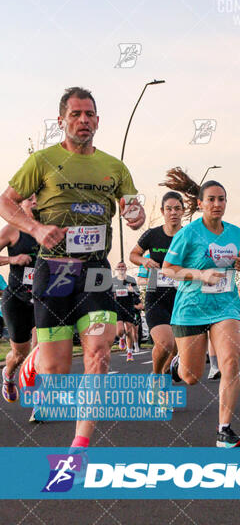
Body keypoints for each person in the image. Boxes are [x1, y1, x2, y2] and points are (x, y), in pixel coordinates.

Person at [0, 86, 145, 449]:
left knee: (98, 353)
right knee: (57, 372)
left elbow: (134, 212)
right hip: (54, 272)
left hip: (95, 270)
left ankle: (78, 447)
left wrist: (136, 215)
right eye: (76, 114)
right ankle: (32, 362)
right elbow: (6, 201)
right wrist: (34, 228)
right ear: (62, 120)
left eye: (90, 114)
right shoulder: (43, 161)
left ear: (98, 120)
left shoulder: (114, 167)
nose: (84, 120)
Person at [161, 168, 240, 447]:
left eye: (221, 199)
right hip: (191, 308)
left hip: (225, 307)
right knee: (191, 377)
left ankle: (224, 430)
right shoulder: (188, 234)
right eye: (211, 199)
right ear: (200, 203)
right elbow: (168, 269)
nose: (217, 204)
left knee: (230, 363)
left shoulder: (236, 233)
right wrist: (200, 274)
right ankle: (177, 367)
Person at [130, 192, 183, 375]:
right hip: (155, 296)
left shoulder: (188, 236)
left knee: (174, 348)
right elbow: (133, 254)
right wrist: (144, 261)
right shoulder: (153, 234)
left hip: (182, 298)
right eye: (169, 209)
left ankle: (164, 374)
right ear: (162, 211)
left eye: (177, 208)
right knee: (165, 343)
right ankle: (156, 375)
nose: (173, 212)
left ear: (183, 211)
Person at [0, 195, 39, 404]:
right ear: (20, 204)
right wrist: (12, 259)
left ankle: (37, 400)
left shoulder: (51, 229)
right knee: (20, 355)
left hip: (44, 300)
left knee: (41, 348)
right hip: (16, 299)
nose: (34, 202)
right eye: (29, 199)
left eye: (38, 198)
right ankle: (8, 374)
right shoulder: (12, 229)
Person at [112, 262, 142, 361]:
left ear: (126, 268)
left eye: (123, 266)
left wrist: (132, 290)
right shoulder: (113, 281)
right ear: (116, 269)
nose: (121, 268)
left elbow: (138, 293)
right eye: (119, 267)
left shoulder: (131, 280)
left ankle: (129, 352)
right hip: (117, 308)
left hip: (129, 307)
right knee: (120, 330)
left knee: (129, 330)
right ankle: (121, 338)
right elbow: (108, 294)